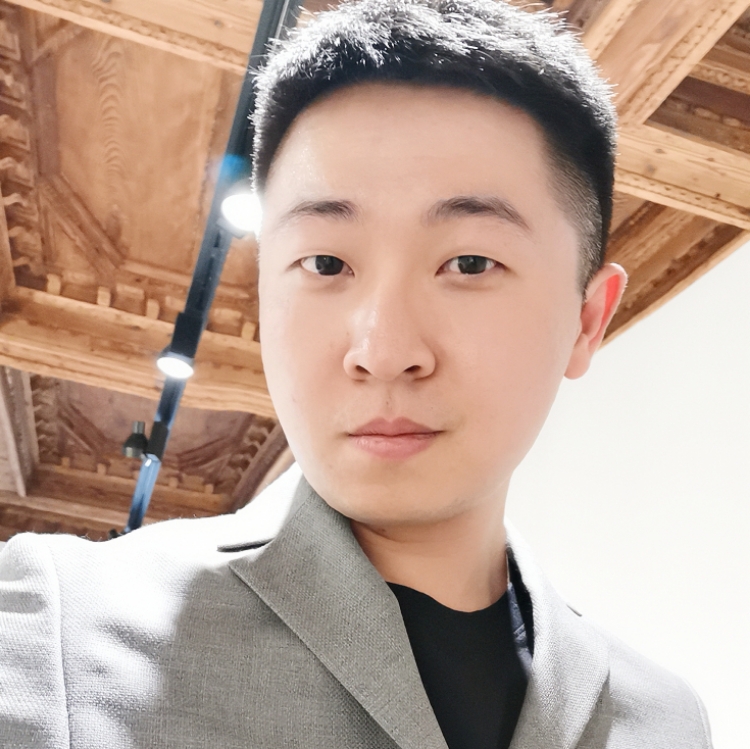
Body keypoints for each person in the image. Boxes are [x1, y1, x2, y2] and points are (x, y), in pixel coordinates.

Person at [0, 1, 713, 747]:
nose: (383, 348)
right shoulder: (55, 628)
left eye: (470, 262)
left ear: (587, 320)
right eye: (325, 262)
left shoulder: (663, 717)